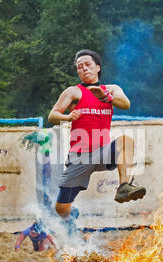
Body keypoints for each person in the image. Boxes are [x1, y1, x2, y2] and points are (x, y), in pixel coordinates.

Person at [48, 49, 146, 235]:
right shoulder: (74, 92)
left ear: (98, 67)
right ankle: (72, 214)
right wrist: (68, 117)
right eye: (79, 67)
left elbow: (126, 104)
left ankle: (124, 186)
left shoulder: (111, 89)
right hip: (80, 157)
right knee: (61, 209)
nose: (83, 69)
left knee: (126, 140)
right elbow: (52, 115)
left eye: (87, 65)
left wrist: (106, 97)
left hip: (102, 153)